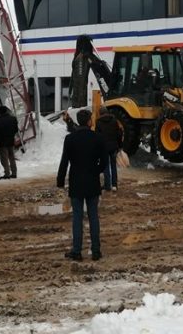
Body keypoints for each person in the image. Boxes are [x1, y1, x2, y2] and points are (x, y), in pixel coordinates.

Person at [57, 108, 108, 261]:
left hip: (76, 182)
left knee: (77, 217)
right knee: (93, 216)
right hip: (92, 182)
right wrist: (96, 170)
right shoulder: (98, 138)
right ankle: (96, 251)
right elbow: (105, 162)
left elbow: (64, 161)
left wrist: (60, 181)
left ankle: (77, 250)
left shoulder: (70, 139)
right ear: (89, 121)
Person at [94, 107, 122, 191]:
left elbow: (97, 137)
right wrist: (119, 145)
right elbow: (119, 134)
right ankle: (114, 185)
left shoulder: (98, 122)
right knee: (113, 166)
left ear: (100, 114)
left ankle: (107, 185)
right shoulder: (114, 121)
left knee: (106, 166)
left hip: (104, 148)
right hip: (113, 147)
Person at [0, 106, 19, 179]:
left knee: (4, 158)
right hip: (11, 140)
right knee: (11, 157)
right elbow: (16, 129)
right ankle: (14, 172)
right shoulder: (13, 119)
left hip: (2, 142)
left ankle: (7, 173)